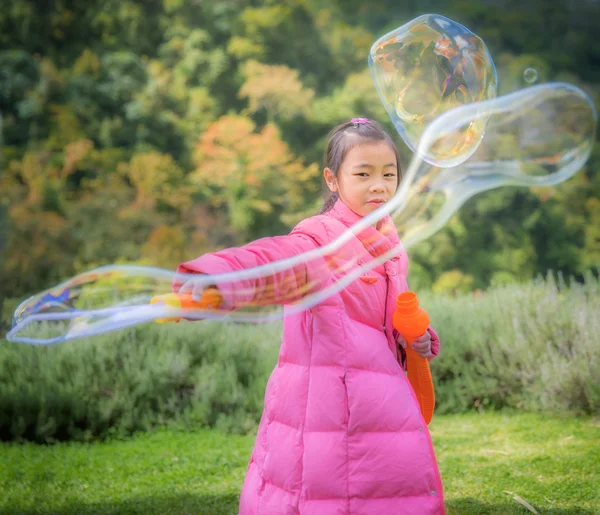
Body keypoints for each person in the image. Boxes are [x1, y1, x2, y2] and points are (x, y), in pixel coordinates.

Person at [176, 118, 445, 515]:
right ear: (332, 180)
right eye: (363, 174)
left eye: (389, 174)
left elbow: (388, 317)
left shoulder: (388, 240)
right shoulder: (320, 241)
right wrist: (222, 276)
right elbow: (274, 261)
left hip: (382, 405)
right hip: (327, 413)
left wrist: (416, 338)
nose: (379, 185)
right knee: (325, 497)